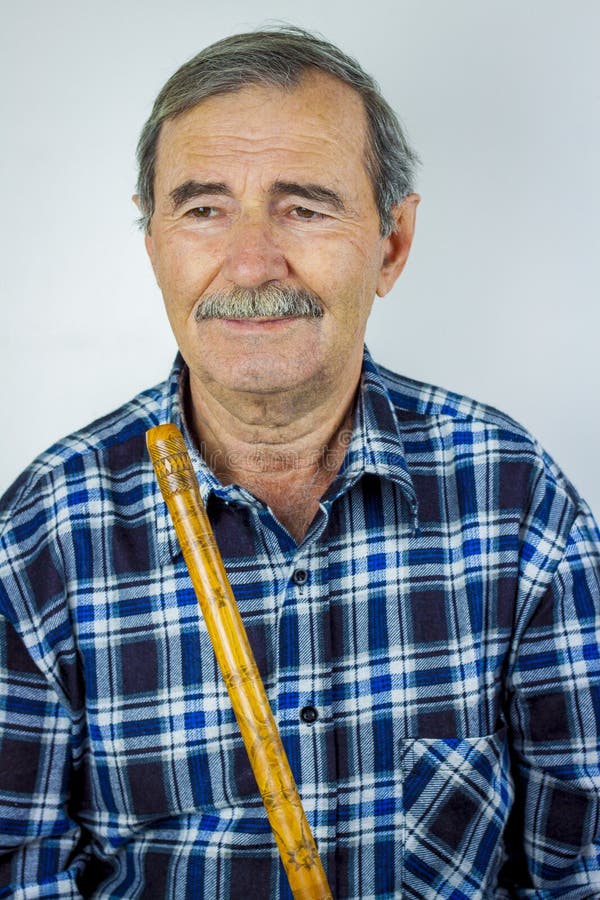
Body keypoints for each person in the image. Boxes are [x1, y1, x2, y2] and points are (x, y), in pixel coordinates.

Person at [0, 26, 599, 899]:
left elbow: (583, 873)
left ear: (391, 243)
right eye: (203, 209)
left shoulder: (515, 498)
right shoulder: (43, 531)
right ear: (155, 242)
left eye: (304, 206)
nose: (248, 263)